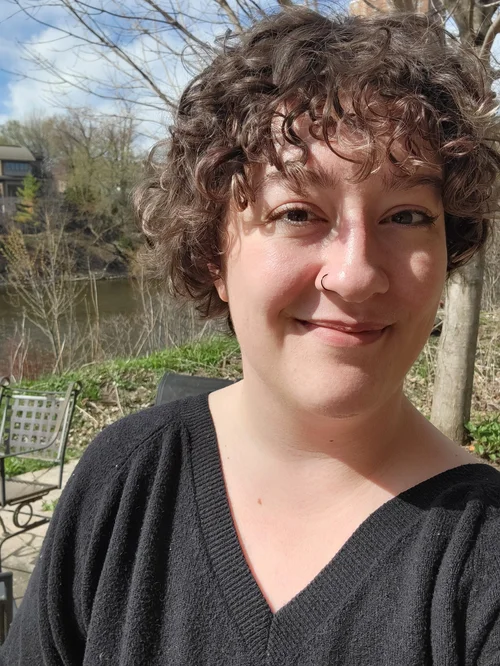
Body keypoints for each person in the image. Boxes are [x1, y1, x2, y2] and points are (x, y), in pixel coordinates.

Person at [3, 8, 500, 665]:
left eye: (406, 215)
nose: (355, 274)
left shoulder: (484, 559)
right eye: (297, 213)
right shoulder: (123, 482)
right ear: (214, 255)